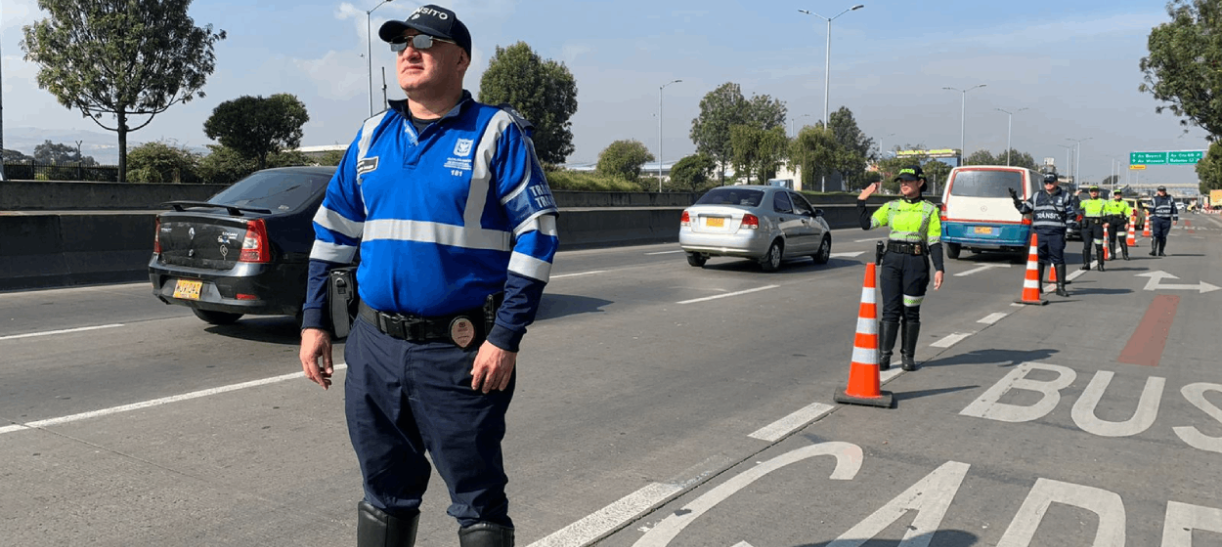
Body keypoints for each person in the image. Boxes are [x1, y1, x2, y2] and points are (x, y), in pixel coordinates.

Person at [297, 5, 560, 546]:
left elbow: (537, 235)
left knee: (478, 500)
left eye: (425, 43)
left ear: (461, 59)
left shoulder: (496, 132)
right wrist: (314, 321)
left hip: (460, 351)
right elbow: (333, 235)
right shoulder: (372, 135)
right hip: (374, 347)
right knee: (383, 492)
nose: (408, 53)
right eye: (401, 44)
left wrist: (505, 338)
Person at [857, 166, 945, 372]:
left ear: (920, 183)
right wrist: (861, 201)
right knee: (890, 310)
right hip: (892, 261)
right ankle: (884, 357)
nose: (904, 184)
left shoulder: (930, 210)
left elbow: (934, 242)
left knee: (911, 311)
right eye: (901, 181)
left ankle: (908, 357)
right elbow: (867, 224)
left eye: (908, 181)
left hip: (916, 263)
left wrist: (939, 268)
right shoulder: (891, 207)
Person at [1009, 172, 1075, 297]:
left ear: (1056, 182)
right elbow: (1024, 209)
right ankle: (1037, 286)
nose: (1048, 184)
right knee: (1039, 259)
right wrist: (1015, 199)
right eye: (1046, 182)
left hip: (1056, 233)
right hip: (1040, 233)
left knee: (1058, 259)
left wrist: (1069, 230)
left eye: (1051, 182)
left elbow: (1071, 214)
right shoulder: (1037, 196)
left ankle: (1060, 287)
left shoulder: (1065, 196)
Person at [1077, 186, 1108, 271]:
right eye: (1092, 191)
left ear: (1098, 192)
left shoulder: (1103, 202)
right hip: (1087, 225)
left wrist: (1106, 221)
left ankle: (1100, 265)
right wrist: (1076, 196)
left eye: (1095, 191)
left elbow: (1108, 212)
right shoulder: (1085, 202)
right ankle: (1086, 264)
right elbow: (1076, 206)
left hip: (1098, 225)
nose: (1094, 193)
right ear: (1089, 193)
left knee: (1099, 246)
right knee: (1087, 245)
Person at [1149, 185, 1179, 256]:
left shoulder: (1170, 198)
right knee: (1156, 234)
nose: (1162, 192)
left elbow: (1174, 209)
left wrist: (1175, 219)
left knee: (1163, 236)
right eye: (1160, 191)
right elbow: (1151, 210)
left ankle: (1161, 251)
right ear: (1158, 192)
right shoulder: (1155, 199)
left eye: (1163, 191)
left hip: (1167, 220)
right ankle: (1154, 250)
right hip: (1157, 219)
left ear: (1165, 191)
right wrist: (1153, 218)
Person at [1104, 190, 1133, 260]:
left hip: (1121, 222)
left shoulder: (1125, 203)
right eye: (1116, 194)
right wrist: (1106, 221)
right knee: (1112, 239)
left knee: (1122, 239)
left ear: (1121, 195)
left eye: (1119, 194)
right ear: (1114, 195)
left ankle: (1125, 255)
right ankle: (1113, 255)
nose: (1117, 196)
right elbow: (1105, 212)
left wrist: (1127, 223)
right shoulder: (1109, 202)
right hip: (1111, 221)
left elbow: (1128, 213)